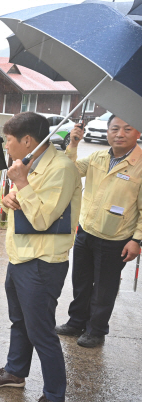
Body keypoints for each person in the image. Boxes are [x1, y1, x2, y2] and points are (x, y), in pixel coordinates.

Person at [0, 112, 82, 402]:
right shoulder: (30, 164)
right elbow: (26, 202)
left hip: (42, 262)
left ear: (27, 141)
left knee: (41, 331)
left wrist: (21, 183)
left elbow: (43, 219)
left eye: (8, 140)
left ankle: (54, 397)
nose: (6, 146)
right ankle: (15, 371)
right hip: (20, 256)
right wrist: (13, 194)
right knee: (19, 321)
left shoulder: (62, 168)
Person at [55, 115, 142, 348]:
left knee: (104, 287)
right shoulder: (97, 157)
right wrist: (72, 144)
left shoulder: (141, 165)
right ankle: (76, 323)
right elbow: (68, 171)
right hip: (86, 230)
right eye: (114, 128)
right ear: (107, 132)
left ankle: (97, 330)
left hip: (116, 237)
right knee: (81, 282)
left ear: (138, 133)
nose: (119, 134)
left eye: (127, 129)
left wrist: (137, 240)